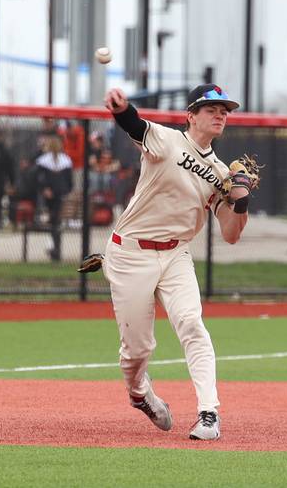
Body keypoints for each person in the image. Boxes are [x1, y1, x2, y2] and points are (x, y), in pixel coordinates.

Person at [101, 83, 253, 441]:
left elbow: (230, 234)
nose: (220, 114)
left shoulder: (220, 174)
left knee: (191, 324)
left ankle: (208, 413)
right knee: (137, 350)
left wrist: (240, 202)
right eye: (211, 108)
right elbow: (134, 125)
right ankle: (140, 394)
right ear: (191, 115)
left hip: (175, 255)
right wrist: (121, 109)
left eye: (224, 110)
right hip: (130, 253)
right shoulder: (167, 141)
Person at [35, 134, 73, 261]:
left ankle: (55, 248)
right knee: (55, 221)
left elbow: (39, 179)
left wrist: (45, 189)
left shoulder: (44, 160)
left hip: (51, 195)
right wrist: (66, 191)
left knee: (54, 220)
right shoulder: (65, 160)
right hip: (59, 194)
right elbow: (69, 181)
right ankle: (55, 248)